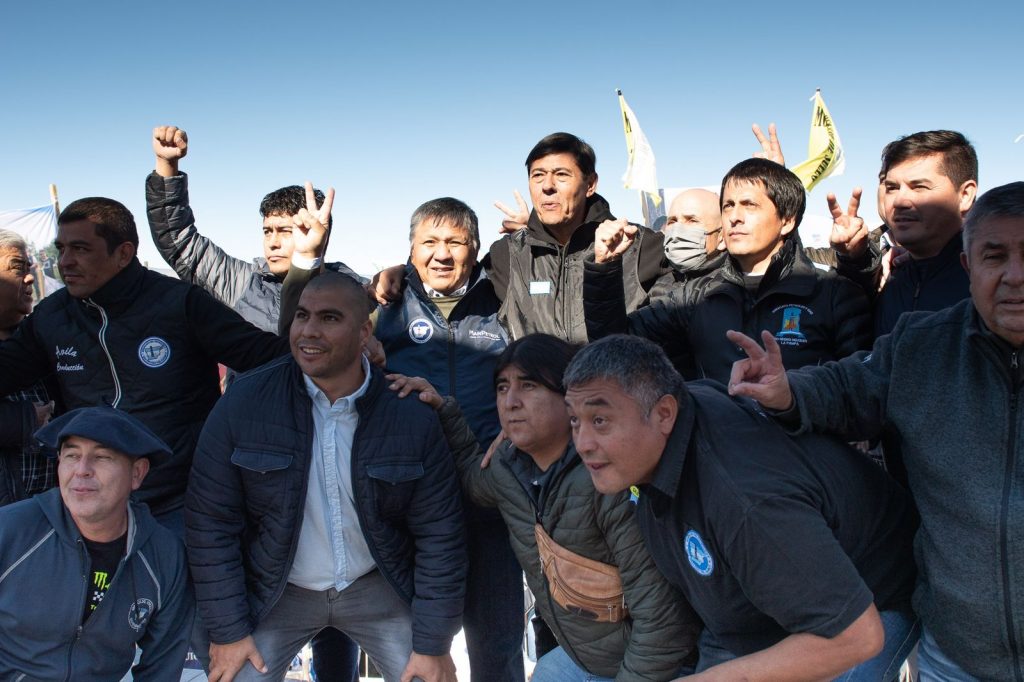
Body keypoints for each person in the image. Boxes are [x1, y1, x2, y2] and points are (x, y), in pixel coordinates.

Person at [727, 181, 1024, 680]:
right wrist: (786, 392)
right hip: (956, 656)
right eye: (995, 256)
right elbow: (846, 388)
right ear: (968, 266)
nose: (1015, 275)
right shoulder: (921, 344)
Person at [562, 334, 919, 680]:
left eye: (600, 421)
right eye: (575, 420)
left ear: (664, 414)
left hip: (859, 607)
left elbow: (856, 636)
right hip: (750, 616)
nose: (583, 443)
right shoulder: (669, 433)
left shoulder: (744, 501)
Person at [147, 125, 361, 681]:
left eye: (287, 230)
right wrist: (168, 173)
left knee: (337, 597)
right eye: (268, 230)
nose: (274, 241)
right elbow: (180, 242)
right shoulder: (237, 282)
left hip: (332, 462)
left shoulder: (351, 290)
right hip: (253, 467)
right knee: (257, 592)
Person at [186, 269, 466, 682]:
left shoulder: (407, 413)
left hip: (377, 584)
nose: (309, 331)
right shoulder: (244, 404)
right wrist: (229, 632)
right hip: (276, 589)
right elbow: (210, 523)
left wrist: (433, 643)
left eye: (330, 318)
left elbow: (440, 532)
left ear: (364, 332)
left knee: (430, 677)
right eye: (302, 316)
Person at [388, 333, 700, 680]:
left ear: (569, 397)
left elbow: (663, 624)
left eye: (529, 385)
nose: (511, 402)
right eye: (502, 387)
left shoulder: (607, 478)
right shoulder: (508, 467)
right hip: (587, 660)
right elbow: (473, 480)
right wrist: (443, 409)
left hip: (655, 666)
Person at [0, 197, 288, 530]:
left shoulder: (180, 303)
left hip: (185, 503)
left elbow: (268, 359)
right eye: (61, 249)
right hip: (94, 508)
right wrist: (17, 419)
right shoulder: (51, 317)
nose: (65, 262)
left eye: (80, 249)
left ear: (123, 253)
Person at [583, 158, 871, 383]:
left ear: (787, 221)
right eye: (728, 206)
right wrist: (604, 268)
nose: (734, 217)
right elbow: (615, 343)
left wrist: (792, 401)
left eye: (749, 205)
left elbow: (859, 390)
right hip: (717, 442)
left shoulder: (833, 294)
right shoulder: (695, 296)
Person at [0, 406, 193, 681]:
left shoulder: (164, 556)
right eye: (71, 455)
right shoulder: (11, 530)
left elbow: (161, 667)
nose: (82, 470)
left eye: (101, 457)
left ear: (137, 473)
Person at [485, 132, 673, 343]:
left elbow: (679, 326)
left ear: (590, 184)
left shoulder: (639, 245)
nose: (547, 186)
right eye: (537, 175)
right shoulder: (505, 255)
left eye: (561, 174)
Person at [850, 130, 978, 336]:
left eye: (919, 187)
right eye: (892, 188)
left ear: (965, 195)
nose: (900, 201)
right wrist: (857, 264)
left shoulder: (993, 279)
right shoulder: (887, 275)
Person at [0, 229, 54, 506]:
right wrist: (23, 419)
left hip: (52, 514)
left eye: (29, 267)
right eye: (17, 267)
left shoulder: (43, 338)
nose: (30, 277)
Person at [661, 188, 725, 278]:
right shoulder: (657, 281)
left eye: (692, 221)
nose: (676, 233)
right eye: (672, 222)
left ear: (722, 238)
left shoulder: (732, 284)